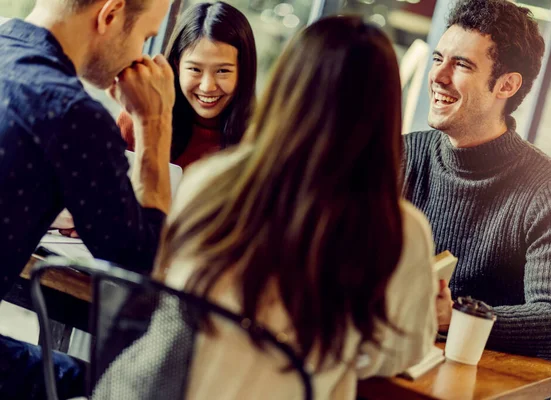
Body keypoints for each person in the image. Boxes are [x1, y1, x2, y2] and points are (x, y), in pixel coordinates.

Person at [92, 16, 437, 399]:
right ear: (385, 113)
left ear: (285, 88)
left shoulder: (211, 180)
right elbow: (398, 354)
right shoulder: (399, 231)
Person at [0, 0, 174, 396]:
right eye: (145, 38)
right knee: (122, 388)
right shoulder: (71, 113)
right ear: (110, 15)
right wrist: (155, 122)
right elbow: (139, 271)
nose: (140, 57)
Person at [403, 0, 551, 363]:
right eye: (439, 58)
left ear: (506, 85)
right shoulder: (400, 156)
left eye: (461, 65)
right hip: (395, 367)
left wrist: (453, 317)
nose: (438, 76)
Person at [117, 1, 257, 169]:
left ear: (243, 70)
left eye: (222, 71)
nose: (207, 86)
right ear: (177, 65)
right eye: (195, 69)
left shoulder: (259, 140)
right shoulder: (139, 118)